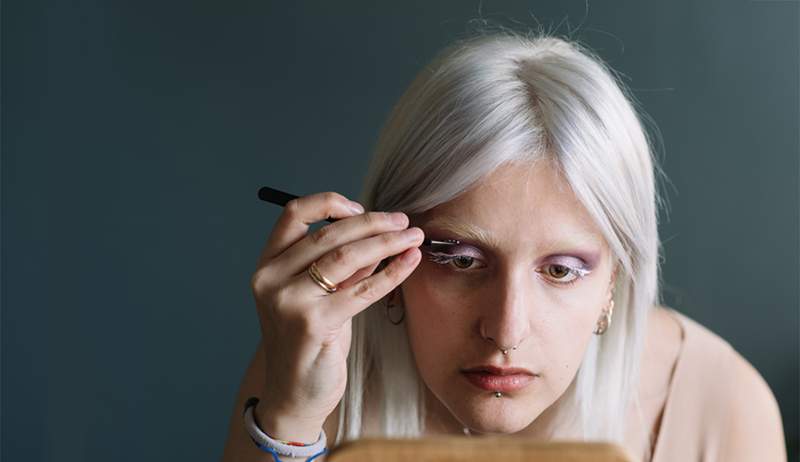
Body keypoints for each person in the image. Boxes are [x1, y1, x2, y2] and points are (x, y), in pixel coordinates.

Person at [221, 30, 787, 462]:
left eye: (562, 270)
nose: (506, 330)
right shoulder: (308, 366)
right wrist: (289, 421)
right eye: (462, 261)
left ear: (615, 275)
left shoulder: (717, 404)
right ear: (388, 252)